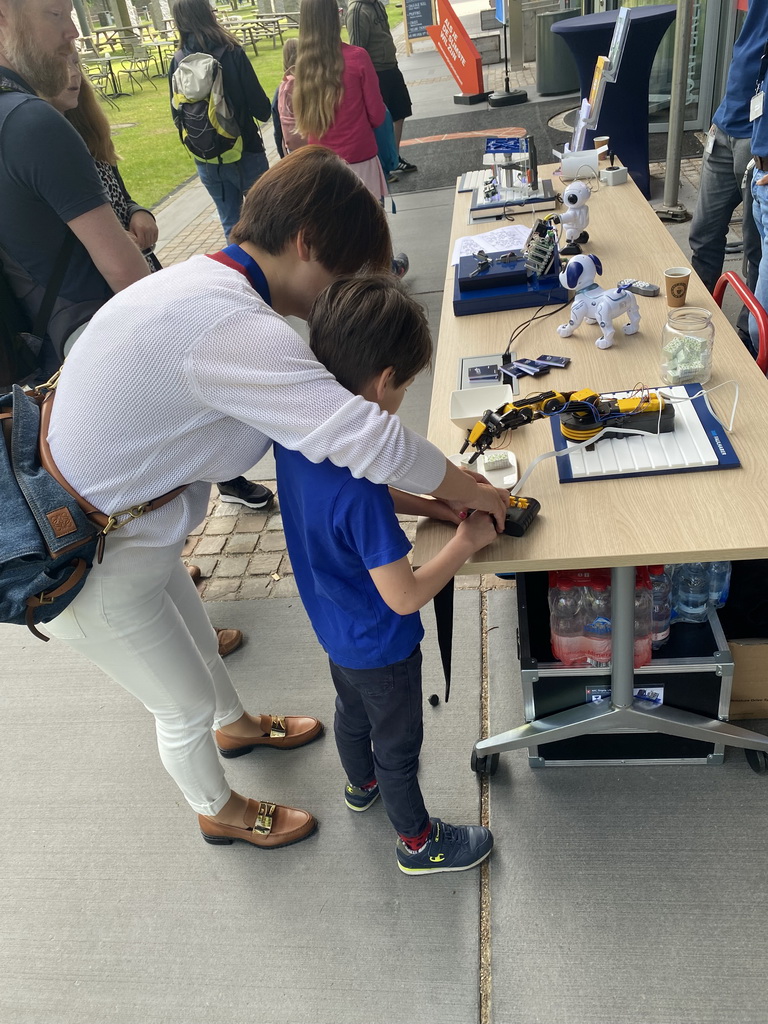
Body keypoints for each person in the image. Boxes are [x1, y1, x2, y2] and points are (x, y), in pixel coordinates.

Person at [42, 147, 508, 851]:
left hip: (130, 528)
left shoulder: (212, 286)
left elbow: (337, 444)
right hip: (85, 557)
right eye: (343, 274)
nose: (339, 295)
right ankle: (217, 810)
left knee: (199, 642)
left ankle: (238, 728)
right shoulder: (234, 327)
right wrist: (470, 495)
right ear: (305, 244)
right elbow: (370, 438)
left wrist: (437, 502)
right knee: (181, 703)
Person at [275, 276, 496, 875]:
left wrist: (431, 505)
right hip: (385, 649)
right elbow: (406, 595)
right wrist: (467, 540)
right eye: (404, 388)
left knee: (352, 716)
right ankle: (418, 844)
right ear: (383, 381)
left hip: (336, 631)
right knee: (399, 750)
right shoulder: (360, 486)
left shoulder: (299, 436)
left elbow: (353, 509)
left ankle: (359, 786)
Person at [0, 0, 149, 376]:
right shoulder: (32, 121)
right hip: (104, 348)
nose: (73, 31)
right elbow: (125, 271)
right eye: (55, 14)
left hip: (46, 353)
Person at [688, 0, 763, 350]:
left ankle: (747, 341)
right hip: (726, 122)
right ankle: (694, 325)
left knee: (755, 250)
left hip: (758, 138)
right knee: (703, 234)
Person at [169, 0, 271, 242]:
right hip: (246, 150)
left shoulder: (178, 60)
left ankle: (239, 275)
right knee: (267, 222)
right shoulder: (233, 52)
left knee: (231, 225)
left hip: (207, 157)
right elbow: (262, 110)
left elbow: (177, 115)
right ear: (208, 14)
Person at [47, 54, 160, 274]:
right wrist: (109, 239)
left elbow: (121, 197)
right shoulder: (43, 149)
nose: (73, 73)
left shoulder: (89, 135)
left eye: (76, 62)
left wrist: (139, 213)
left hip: (139, 270)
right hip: (97, 286)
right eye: (60, 64)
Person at [293, 0, 387, 201]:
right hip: (360, 157)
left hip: (320, 164)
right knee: (370, 225)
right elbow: (378, 115)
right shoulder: (358, 58)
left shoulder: (302, 66)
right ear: (335, 17)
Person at [346, 0, 417, 179]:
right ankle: (381, 168)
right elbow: (357, 48)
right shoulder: (358, 10)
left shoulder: (377, 5)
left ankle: (394, 159)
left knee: (399, 113)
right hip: (375, 72)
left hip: (390, 66)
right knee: (379, 121)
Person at [275, 37, 305, 157]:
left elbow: (277, 127)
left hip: (292, 147)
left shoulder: (282, 87)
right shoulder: (305, 84)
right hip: (309, 142)